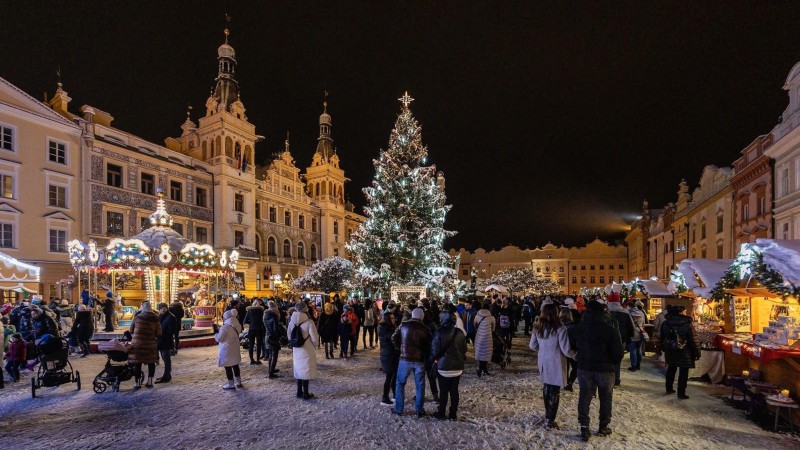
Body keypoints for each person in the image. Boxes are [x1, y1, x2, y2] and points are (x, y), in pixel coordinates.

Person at [570, 299, 623, 442]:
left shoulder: (580, 328)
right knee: (606, 397)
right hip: (605, 369)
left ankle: (584, 426)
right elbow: (618, 352)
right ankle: (603, 426)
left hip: (585, 367)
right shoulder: (610, 329)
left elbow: (572, 343)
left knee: (584, 396)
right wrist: (612, 362)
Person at [529, 300, 575, 429]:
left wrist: (543, 350)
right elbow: (566, 349)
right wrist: (574, 354)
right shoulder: (560, 328)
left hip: (544, 360)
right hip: (556, 361)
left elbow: (532, 345)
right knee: (555, 390)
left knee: (547, 387)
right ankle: (551, 419)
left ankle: (547, 414)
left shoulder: (537, 327)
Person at [391, 308, 432, 417]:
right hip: (419, 360)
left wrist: (399, 349)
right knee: (420, 385)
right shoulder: (425, 329)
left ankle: (399, 409)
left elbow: (394, 337)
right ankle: (419, 409)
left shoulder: (403, 325)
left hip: (405, 359)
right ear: (422, 317)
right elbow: (429, 346)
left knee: (400, 383)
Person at [430, 310, 466, 421]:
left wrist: (433, 359)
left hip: (444, 366)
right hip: (458, 367)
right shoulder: (459, 332)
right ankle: (453, 414)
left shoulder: (439, 332)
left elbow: (434, 350)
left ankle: (441, 412)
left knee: (444, 390)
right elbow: (464, 349)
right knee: (454, 390)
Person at [660, 305, 699, 399]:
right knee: (683, 372)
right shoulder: (688, 324)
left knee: (671, 369)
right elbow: (693, 340)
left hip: (671, 349)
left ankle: (669, 388)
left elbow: (662, 337)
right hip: (684, 351)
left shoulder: (666, 323)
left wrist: (663, 348)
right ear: (681, 312)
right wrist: (697, 352)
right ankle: (681, 393)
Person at [288, 302, 319, 400]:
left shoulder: (291, 322)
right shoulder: (309, 322)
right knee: (306, 370)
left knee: (299, 370)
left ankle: (299, 392)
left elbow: (289, 336)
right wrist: (315, 345)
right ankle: (306, 393)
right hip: (307, 349)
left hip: (297, 349)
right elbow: (315, 338)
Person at [128, 301, 162, 389]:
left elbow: (131, 330)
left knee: (137, 363)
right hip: (150, 344)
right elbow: (159, 333)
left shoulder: (137, 317)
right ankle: (149, 381)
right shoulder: (156, 318)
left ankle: (138, 383)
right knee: (151, 362)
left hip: (137, 344)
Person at [606, 293, 634, 386]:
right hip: (621, 339)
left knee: (606, 358)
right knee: (617, 359)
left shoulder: (606, 311)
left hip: (606, 340)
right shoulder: (625, 312)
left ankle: (607, 377)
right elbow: (631, 327)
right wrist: (629, 337)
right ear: (619, 301)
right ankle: (616, 378)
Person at [215, 309, 243, 390]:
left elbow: (219, 339)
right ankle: (238, 382)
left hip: (226, 349)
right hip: (235, 348)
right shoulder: (237, 325)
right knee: (235, 364)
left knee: (228, 366)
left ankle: (230, 384)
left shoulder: (225, 328)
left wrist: (216, 333)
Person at [378, 310, 400, 406]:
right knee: (389, 377)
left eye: (393, 318)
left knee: (393, 375)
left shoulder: (387, 328)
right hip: (389, 355)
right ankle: (385, 397)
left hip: (389, 354)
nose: (393, 320)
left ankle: (394, 395)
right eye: (391, 318)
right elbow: (392, 340)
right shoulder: (387, 330)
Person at [156, 303, 177, 383]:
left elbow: (171, 331)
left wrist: (163, 334)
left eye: (164, 308)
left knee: (166, 359)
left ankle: (167, 376)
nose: (163, 309)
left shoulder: (171, 317)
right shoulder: (161, 316)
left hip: (166, 341)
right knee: (164, 359)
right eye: (161, 308)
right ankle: (167, 375)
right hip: (161, 340)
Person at [473, 301, 496, 377]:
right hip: (488, 337)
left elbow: (475, 325)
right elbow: (493, 328)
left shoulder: (477, 316)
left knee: (480, 352)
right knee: (486, 353)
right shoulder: (491, 317)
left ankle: (481, 369)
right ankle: (482, 369)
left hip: (479, 336)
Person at [263, 300, 284, 378]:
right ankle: (271, 373)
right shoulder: (274, 315)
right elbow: (275, 328)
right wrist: (278, 334)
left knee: (271, 355)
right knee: (274, 355)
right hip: (273, 337)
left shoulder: (265, 314)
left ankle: (271, 370)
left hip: (267, 336)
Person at [559, 307, 578, 391]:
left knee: (564, 367)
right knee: (575, 367)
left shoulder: (558, 324)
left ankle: (565, 382)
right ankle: (570, 382)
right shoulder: (574, 326)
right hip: (572, 348)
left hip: (561, 349)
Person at [243, 299, 265, 365]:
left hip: (251, 329)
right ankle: (258, 360)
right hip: (259, 329)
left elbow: (245, 321)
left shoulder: (249, 311)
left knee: (251, 345)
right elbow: (263, 321)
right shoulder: (261, 311)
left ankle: (252, 360)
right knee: (259, 345)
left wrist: (251, 322)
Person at [627, 301, 646, 372]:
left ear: (630, 306)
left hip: (633, 332)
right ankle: (638, 365)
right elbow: (644, 323)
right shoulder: (642, 313)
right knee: (639, 350)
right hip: (640, 332)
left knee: (633, 350)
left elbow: (628, 324)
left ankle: (633, 366)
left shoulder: (629, 313)